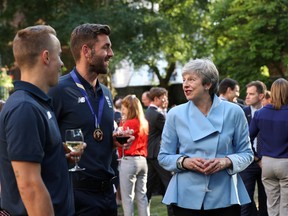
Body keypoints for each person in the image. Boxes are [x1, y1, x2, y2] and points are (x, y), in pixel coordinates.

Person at [49, 23, 133, 216]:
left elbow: (96, 135)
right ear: (86, 51)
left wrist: (113, 141)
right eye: (105, 47)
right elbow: (45, 141)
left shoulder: (105, 93)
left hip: (107, 193)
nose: (111, 53)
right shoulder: (59, 90)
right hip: (75, 194)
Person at [158, 58, 254, 216]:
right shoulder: (175, 114)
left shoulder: (234, 112)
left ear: (208, 84)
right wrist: (184, 162)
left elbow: (247, 153)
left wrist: (226, 161)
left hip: (224, 197)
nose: (185, 84)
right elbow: (164, 156)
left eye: (191, 79)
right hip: (186, 197)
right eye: (184, 80)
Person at [0, 25, 75, 215]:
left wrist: (57, 157)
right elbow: (29, 187)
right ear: (46, 57)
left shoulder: (37, 103)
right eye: (58, 56)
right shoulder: (25, 108)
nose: (62, 64)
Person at [249, 78, 288, 216]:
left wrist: (257, 157)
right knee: (286, 205)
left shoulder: (260, 113)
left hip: (266, 162)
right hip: (285, 162)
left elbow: (248, 138)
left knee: (272, 204)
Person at [117, 94, 150, 216]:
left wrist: (122, 124)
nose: (122, 110)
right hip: (142, 160)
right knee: (142, 196)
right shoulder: (144, 122)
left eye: (124, 107)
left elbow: (121, 144)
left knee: (127, 198)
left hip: (129, 160)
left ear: (129, 108)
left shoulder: (128, 123)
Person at [240, 81, 268, 216]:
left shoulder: (269, 112)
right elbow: (240, 139)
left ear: (261, 96)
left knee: (266, 201)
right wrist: (256, 158)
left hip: (267, 162)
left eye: (252, 94)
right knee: (245, 201)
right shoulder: (241, 113)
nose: (247, 97)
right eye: (247, 94)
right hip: (248, 162)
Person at [145, 87, 174, 216]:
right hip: (157, 153)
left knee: (148, 188)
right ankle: (173, 212)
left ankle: (143, 212)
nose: (166, 100)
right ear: (156, 99)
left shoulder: (148, 112)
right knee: (170, 184)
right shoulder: (157, 115)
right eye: (164, 97)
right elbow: (169, 133)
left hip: (150, 153)